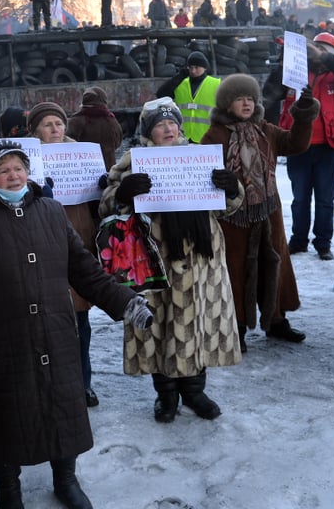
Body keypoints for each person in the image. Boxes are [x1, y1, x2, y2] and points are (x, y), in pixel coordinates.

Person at [0, 140, 153, 509]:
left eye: (18, 167)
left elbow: (85, 270)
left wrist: (127, 304)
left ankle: (66, 480)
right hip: (0, 340)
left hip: (55, 332)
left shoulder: (51, 210)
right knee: (4, 415)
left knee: (62, 406)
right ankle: (8, 485)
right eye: (3, 170)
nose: (13, 175)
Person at [100, 98, 243, 424]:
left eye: (172, 122)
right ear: (148, 130)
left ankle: (194, 391)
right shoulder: (132, 161)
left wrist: (231, 188)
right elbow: (106, 205)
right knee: (158, 327)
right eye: (159, 124)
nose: (168, 128)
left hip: (200, 260)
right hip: (153, 261)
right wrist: (122, 195)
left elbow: (227, 207)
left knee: (199, 323)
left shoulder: (200, 158)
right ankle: (166, 395)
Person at [201, 76, 319, 352]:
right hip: (233, 216)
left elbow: (296, 144)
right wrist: (224, 184)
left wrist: (303, 114)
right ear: (227, 103)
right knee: (236, 269)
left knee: (274, 262)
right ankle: (236, 327)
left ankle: (277, 320)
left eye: (251, 98)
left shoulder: (265, 130)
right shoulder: (215, 135)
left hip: (269, 211)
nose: (247, 103)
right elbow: (203, 175)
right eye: (240, 98)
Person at [28, 101, 104, 408]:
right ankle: (51, 387)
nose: (55, 129)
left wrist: (104, 189)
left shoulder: (83, 156)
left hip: (78, 247)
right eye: (47, 125)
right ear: (36, 131)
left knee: (80, 322)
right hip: (41, 249)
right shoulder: (26, 160)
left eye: (58, 123)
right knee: (47, 325)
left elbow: (101, 208)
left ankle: (83, 383)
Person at [279, 32, 334, 260]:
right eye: (315, 48)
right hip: (298, 145)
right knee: (300, 199)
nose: (318, 54)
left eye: (325, 50)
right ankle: (298, 241)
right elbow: (271, 91)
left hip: (328, 148)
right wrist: (285, 58)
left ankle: (323, 243)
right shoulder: (295, 74)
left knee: (325, 199)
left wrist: (322, 55)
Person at [156, 50, 220, 144]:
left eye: (197, 67)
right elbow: (160, 94)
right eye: (191, 67)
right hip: (183, 137)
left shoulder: (216, 84)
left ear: (205, 68)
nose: (193, 71)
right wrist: (180, 76)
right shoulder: (180, 83)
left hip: (207, 137)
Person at [66, 86, 123, 172]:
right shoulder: (111, 120)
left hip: (83, 171)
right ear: (103, 100)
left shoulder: (75, 121)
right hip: (109, 169)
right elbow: (118, 142)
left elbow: (67, 146)